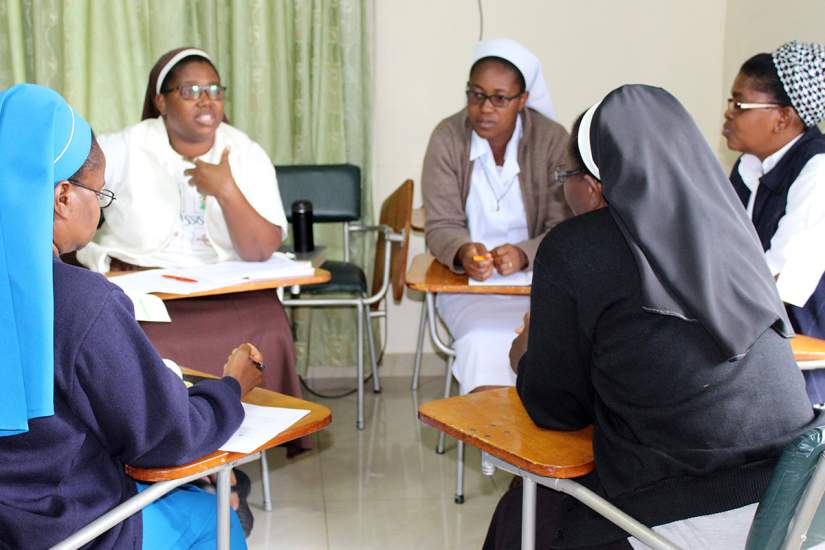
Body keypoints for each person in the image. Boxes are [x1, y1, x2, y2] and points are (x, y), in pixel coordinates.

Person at [484, 85, 822, 549]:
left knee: (527, 511)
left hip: (699, 509)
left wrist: (527, 350)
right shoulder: (733, 230)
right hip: (796, 497)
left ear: (596, 183)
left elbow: (555, 410)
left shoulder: (578, 245)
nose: (565, 190)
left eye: (566, 175)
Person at [0, 83, 263, 549]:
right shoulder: (80, 301)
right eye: (99, 196)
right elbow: (166, 437)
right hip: (61, 530)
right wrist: (230, 389)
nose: (99, 212)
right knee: (210, 512)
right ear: (62, 196)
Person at [75, 47, 302, 404]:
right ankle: (173, 442)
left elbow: (259, 250)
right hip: (145, 291)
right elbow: (71, 194)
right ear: (161, 103)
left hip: (225, 291)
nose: (206, 101)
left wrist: (227, 192)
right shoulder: (125, 146)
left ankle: (248, 436)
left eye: (214, 90)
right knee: (143, 347)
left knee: (270, 330)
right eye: (190, 91)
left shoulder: (245, 152)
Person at [422, 38, 570, 395]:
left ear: (522, 100)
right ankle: (490, 446)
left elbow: (564, 227)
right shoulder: (447, 137)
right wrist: (462, 252)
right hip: (466, 287)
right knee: (482, 341)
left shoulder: (551, 140)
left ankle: (535, 446)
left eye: (499, 98)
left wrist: (524, 253)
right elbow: (440, 225)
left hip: (539, 283)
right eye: (476, 95)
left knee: (551, 345)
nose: (484, 108)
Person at [723, 40, 825, 403]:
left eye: (739, 104)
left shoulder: (818, 173)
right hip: (755, 344)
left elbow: (779, 283)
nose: (728, 113)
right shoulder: (750, 165)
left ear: (784, 117)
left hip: (805, 367)